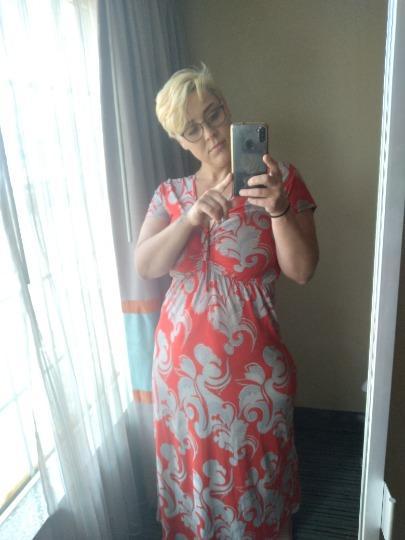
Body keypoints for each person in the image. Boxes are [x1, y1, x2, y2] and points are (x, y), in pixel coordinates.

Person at [135, 63, 319, 540]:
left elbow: (302, 270)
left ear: (228, 109)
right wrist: (189, 219)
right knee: (196, 485)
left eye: (213, 115)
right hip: (181, 383)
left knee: (257, 488)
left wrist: (278, 208)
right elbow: (146, 265)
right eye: (192, 129)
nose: (210, 133)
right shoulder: (170, 195)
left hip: (254, 382)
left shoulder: (281, 179)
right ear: (178, 140)